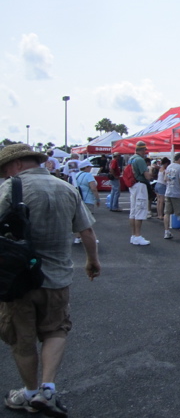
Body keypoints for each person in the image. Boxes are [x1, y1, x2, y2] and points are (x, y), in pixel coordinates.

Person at [0, 144, 100, 417]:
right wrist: (92, 260)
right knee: (56, 329)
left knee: (23, 337)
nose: (5, 173)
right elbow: (87, 231)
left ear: (18, 164)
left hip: (17, 280)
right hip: (57, 277)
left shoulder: (10, 188)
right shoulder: (66, 188)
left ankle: (29, 393)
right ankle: (47, 389)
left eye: (6, 167)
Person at [128, 141, 151, 246]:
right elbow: (147, 176)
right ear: (142, 150)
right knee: (140, 211)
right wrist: (151, 173)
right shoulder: (140, 160)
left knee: (133, 211)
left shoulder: (131, 159)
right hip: (140, 185)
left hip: (132, 185)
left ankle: (133, 235)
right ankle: (138, 236)